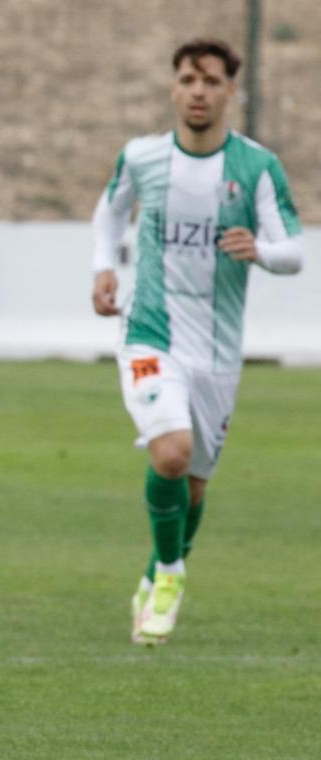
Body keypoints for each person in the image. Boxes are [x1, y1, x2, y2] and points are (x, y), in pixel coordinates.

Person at [90, 38, 303, 645]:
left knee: (195, 485)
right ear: (174, 87)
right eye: (188, 79)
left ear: (230, 90)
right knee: (172, 454)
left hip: (216, 350)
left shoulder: (255, 166)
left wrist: (259, 250)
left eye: (211, 80)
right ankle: (173, 576)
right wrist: (103, 268)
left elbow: (294, 249)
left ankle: (158, 567)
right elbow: (108, 213)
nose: (199, 91)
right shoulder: (143, 157)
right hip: (150, 331)